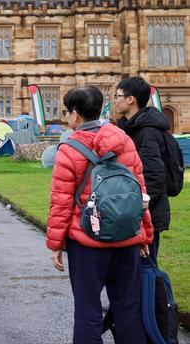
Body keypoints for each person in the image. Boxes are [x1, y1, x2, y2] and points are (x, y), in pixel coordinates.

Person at [46, 86, 153, 344]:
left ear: (75, 114)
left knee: (88, 312)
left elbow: (60, 201)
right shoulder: (124, 140)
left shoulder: (69, 148)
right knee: (128, 310)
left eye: (66, 112)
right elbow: (140, 192)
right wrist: (144, 236)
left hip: (87, 243)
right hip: (127, 239)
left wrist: (56, 244)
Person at [114, 76, 170, 265]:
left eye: (118, 96)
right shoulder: (127, 126)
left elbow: (153, 176)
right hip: (131, 210)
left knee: (146, 269)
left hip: (146, 214)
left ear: (131, 99)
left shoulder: (147, 131)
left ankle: (157, 296)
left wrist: (138, 210)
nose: (115, 100)